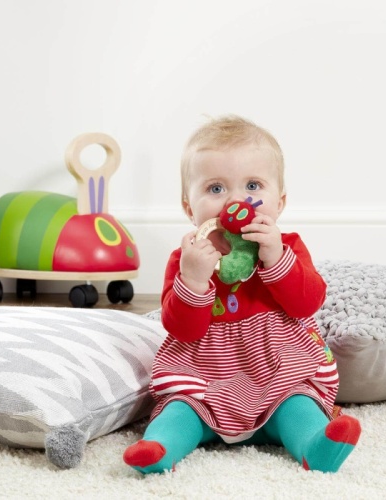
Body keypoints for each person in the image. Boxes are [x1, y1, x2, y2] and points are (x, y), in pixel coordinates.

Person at [123, 115, 361, 474]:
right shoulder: (186, 259)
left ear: (279, 202)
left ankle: (315, 445)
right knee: (179, 407)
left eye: (253, 186)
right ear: (190, 208)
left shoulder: (288, 247)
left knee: (298, 404)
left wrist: (276, 259)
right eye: (216, 189)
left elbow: (308, 302)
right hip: (206, 379)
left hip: (277, 374)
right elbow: (181, 329)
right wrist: (195, 281)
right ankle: (160, 449)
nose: (236, 203)